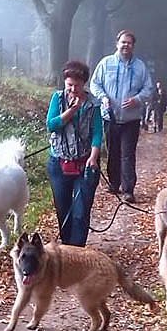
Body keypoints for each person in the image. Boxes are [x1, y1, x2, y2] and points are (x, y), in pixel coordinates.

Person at [90, 30, 153, 203]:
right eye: (123, 42)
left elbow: (148, 89)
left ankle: (128, 190)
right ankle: (114, 182)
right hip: (109, 117)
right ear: (117, 43)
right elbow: (95, 84)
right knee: (113, 151)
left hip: (131, 119)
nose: (126, 45)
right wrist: (103, 97)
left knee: (127, 154)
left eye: (129, 43)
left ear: (133, 46)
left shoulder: (140, 67)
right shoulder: (105, 63)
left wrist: (137, 99)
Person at [46, 60, 102, 246]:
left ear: (84, 84)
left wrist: (94, 157)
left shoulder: (94, 104)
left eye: (77, 85)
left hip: (85, 163)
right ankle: (67, 247)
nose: (72, 89)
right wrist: (72, 110)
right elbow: (52, 125)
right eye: (69, 85)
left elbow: (97, 132)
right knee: (63, 210)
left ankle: (77, 251)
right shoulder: (58, 98)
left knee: (81, 212)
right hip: (59, 162)